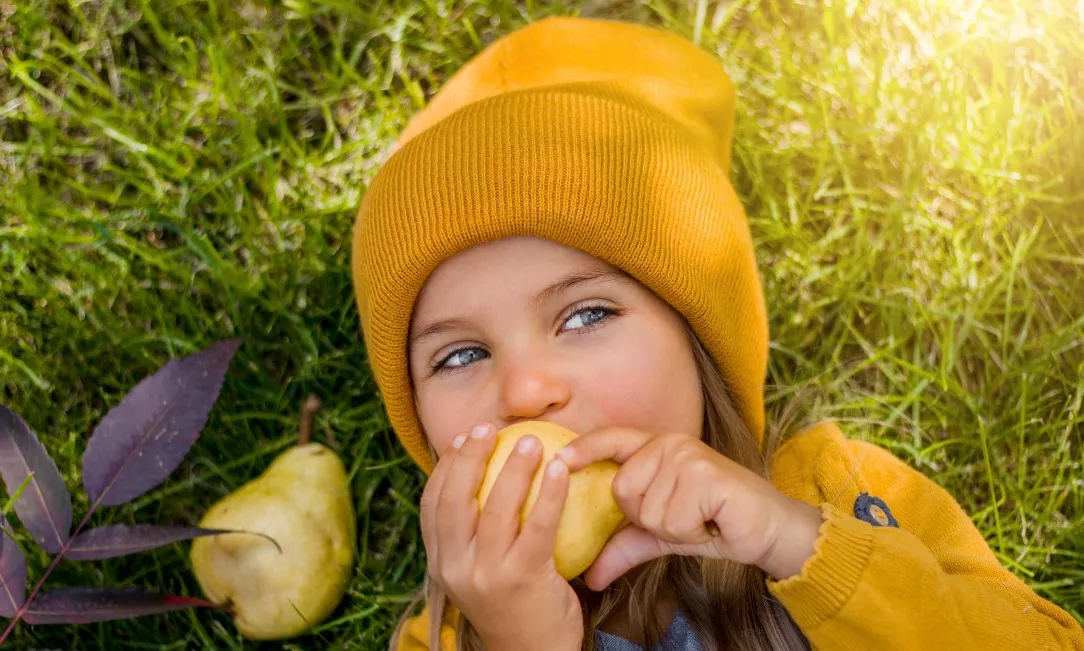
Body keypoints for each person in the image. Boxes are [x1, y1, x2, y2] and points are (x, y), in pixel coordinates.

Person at [350, 15, 1084, 651]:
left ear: (699, 339)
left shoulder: (834, 496)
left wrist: (796, 542)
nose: (523, 388)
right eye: (461, 354)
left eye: (587, 315)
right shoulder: (451, 632)